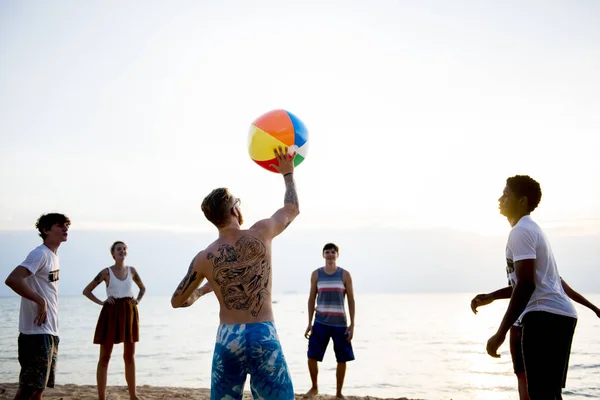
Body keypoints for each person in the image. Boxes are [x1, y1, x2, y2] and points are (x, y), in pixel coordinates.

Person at [171, 146, 298, 400]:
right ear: (234, 211)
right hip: (262, 331)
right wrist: (288, 174)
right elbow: (292, 208)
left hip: (229, 337)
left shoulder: (204, 257)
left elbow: (177, 301)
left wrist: (205, 290)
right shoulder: (261, 232)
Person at [485, 175, 578, 400]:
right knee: (550, 393)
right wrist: (491, 296)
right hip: (560, 315)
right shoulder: (531, 230)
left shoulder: (521, 231)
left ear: (522, 201)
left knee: (540, 394)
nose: (500, 199)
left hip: (544, 318)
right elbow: (529, 282)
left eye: (506, 195)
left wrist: (500, 332)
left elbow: (526, 285)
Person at [472, 280, 600, 399]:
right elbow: (518, 289)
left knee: (549, 384)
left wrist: (594, 308)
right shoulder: (517, 261)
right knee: (522, 374)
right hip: (518, 322)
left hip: (539, 319)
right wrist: (491, 296)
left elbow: (563, 288)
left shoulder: (542, 265)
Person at [4, 213, 70, 400]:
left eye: (66, 225)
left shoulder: (53, 256)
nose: (65, 229)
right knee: (29, 389)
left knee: (38, 389)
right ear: (46, 230)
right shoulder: (39, 254)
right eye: (60, 225)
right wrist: (40, 301)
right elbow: (13, 279)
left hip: (49, 331)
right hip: (35, 333)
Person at [82, 241, 146, 400]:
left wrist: (137, 300)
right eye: (119, 249)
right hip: (111, 313)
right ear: (113, 253)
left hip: (129, 311)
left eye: (124, 249)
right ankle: (101, 397)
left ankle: (133, 395)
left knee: (129, 356)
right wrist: (101, 302)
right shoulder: (106, 272)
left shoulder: (132, 271)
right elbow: (87, 291)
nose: (122, 251)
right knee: (105, 357)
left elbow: (143, 288)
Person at [303, 242, 355, 400]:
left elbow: (351, 300)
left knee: (342, 358)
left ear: (337, 255)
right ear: (323, 254)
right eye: (327, 252)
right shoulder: (316, 274)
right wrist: (309, 322)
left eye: (333, 252)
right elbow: (311, 299)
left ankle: (339, 393)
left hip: (340, 324)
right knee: (312, 356)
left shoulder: (344, 274)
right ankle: (314, 387)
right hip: (320, 322)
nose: (330, 254)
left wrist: (352, 324)